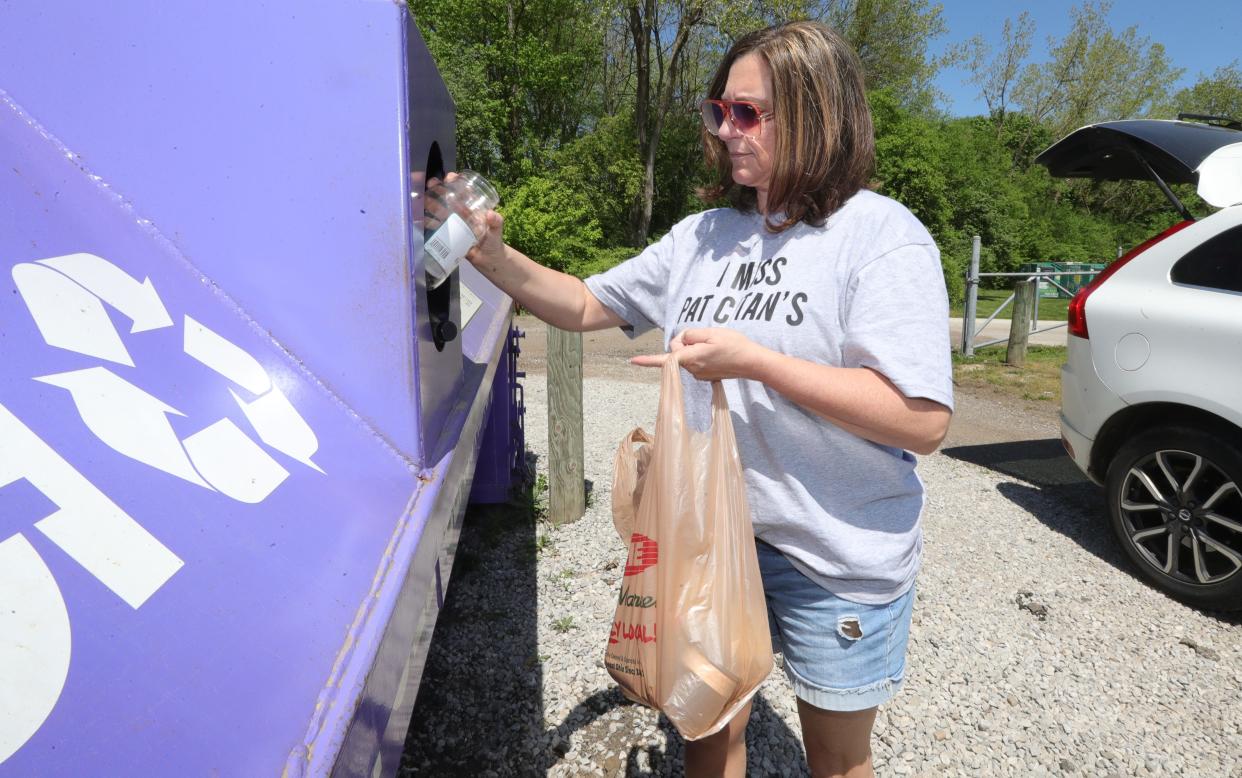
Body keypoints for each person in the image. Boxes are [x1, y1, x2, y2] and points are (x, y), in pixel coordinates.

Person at [453, 20, 952, 778]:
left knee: (838, 758)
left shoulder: (881, 237)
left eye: (748, 113)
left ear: (819, 112)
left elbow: (921, 419)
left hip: (837, 554)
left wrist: (755, 361)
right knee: (707, 730)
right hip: (712, 537)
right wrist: (489, 253)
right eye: (718, 111)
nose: (725, 131)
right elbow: (585, 302)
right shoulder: (702, 237)